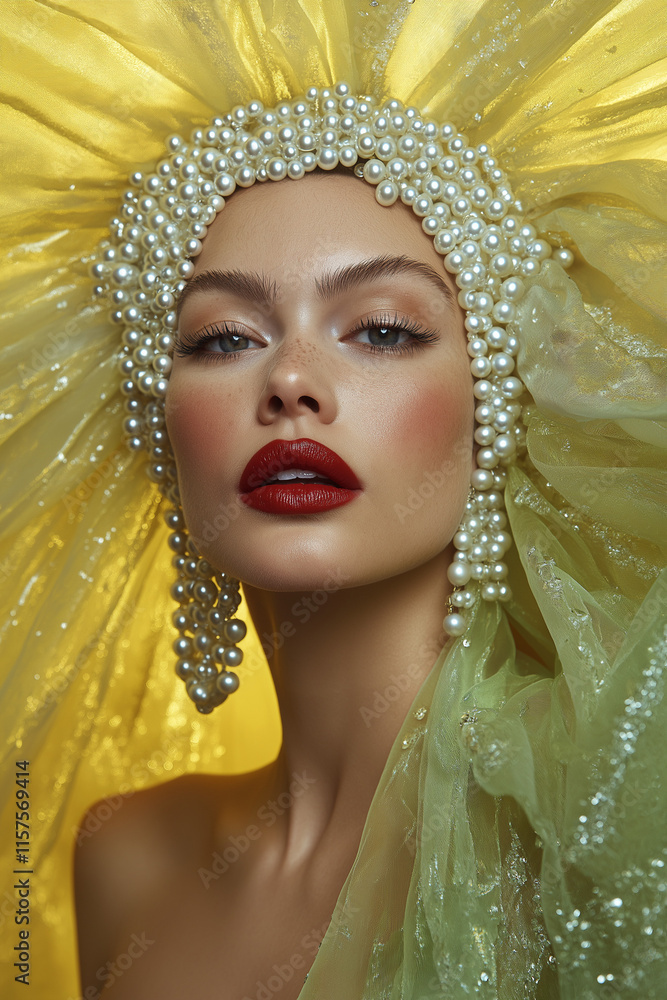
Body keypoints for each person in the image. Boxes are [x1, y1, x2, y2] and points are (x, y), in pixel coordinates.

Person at [1, 3, 665, 999]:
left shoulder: (599, 818)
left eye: (384, 329)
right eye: (224, 337)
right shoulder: (127, 853)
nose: (292, 382)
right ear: (155, 420)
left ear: (502, 397)